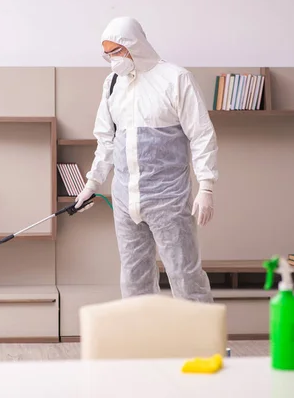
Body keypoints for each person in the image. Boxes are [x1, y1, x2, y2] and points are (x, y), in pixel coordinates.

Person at [75, 17, 218, 303]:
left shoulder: (176, 79)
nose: (112, 59)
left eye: (116, 51)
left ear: (134, 46)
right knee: (133, 276)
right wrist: (92, 183)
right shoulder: (113, 84)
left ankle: (203, 344)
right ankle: (143, 345)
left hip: (168, 198)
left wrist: (206, 187)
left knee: (184, 275)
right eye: (108, 54)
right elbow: (106, 139)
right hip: (125, 200)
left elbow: (201, 134)